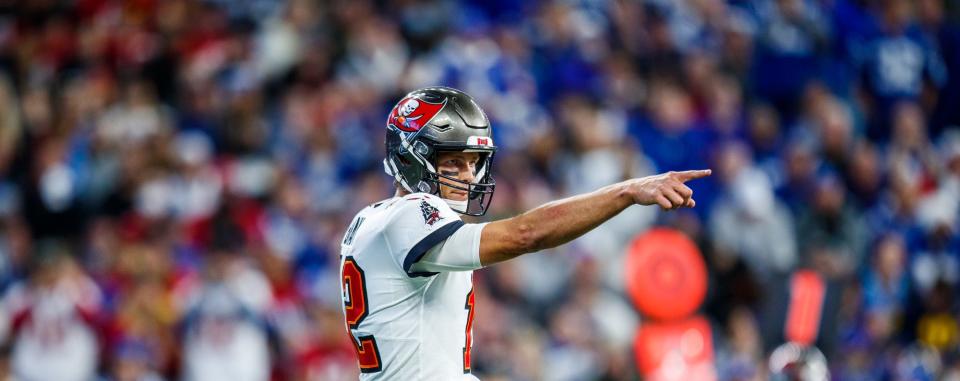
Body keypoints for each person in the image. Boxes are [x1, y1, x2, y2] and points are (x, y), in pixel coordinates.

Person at [339, 86, 711, 379]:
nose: (468, 176)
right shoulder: (412, 214)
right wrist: (626, 191)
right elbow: (525, 234)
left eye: (472, 162)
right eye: (453, 161)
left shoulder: (368, 221)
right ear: (410, 156)